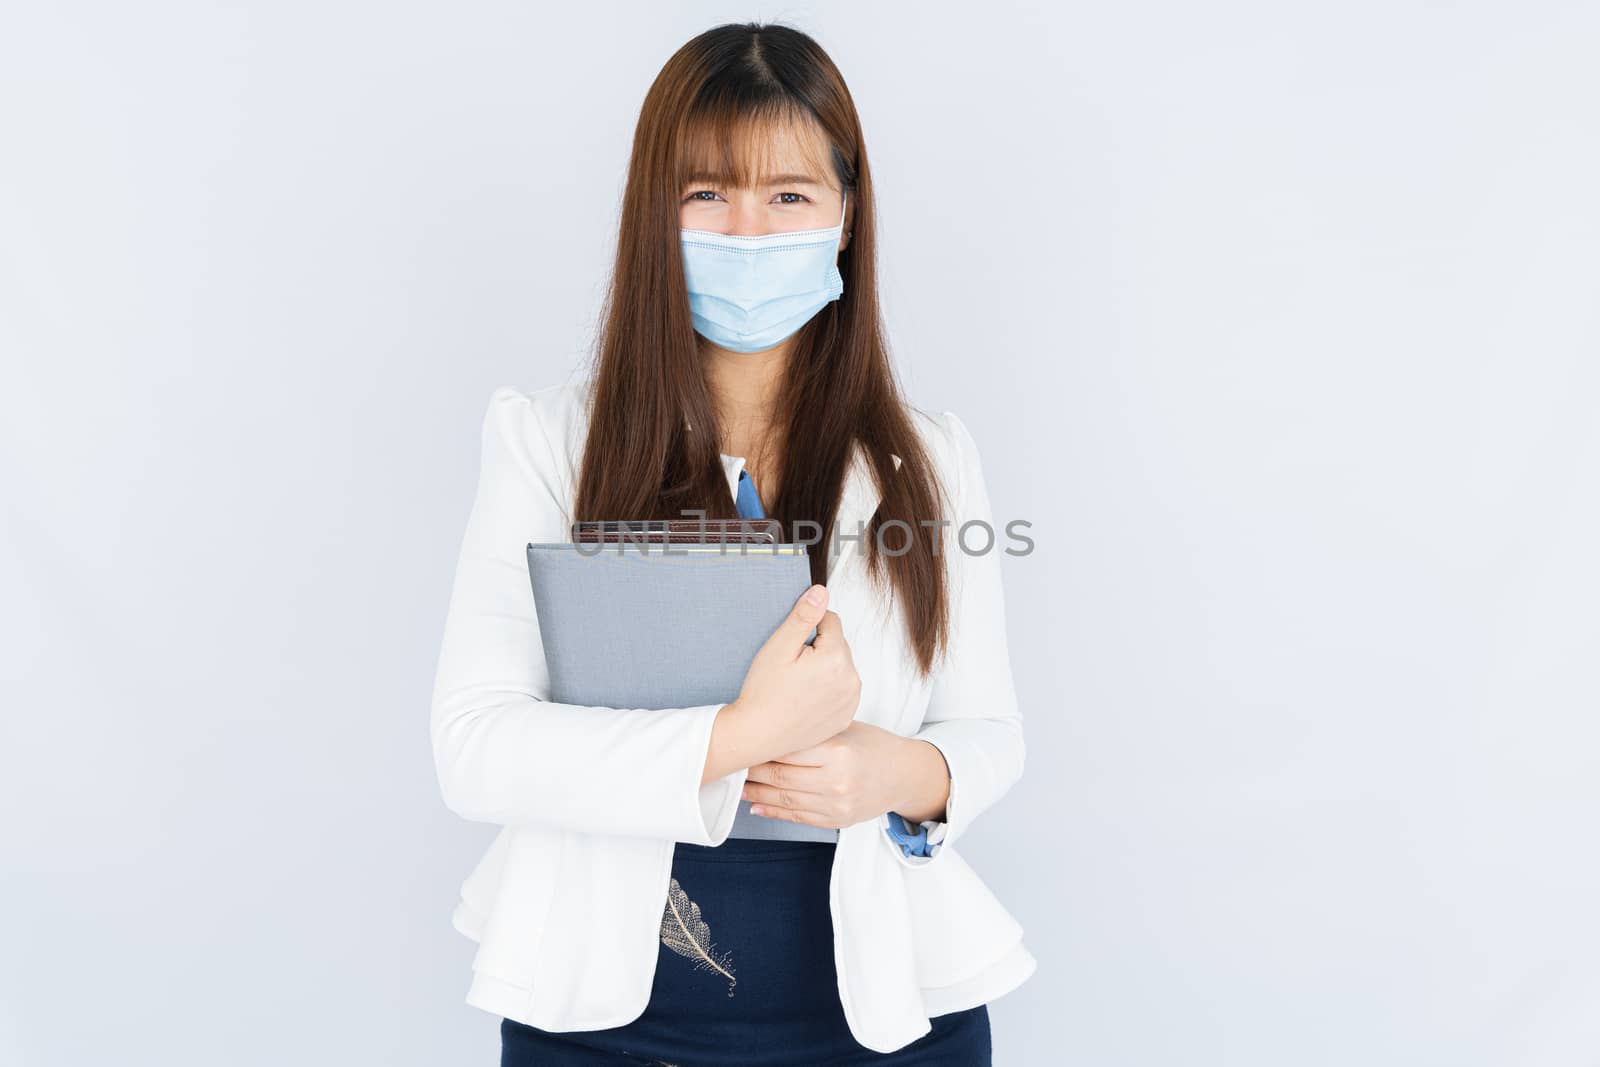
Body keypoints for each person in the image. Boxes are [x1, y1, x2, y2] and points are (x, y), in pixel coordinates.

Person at [429, 21, 1035, 1064]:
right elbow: (475, 748)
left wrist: (900, 770)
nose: (747, 231)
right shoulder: (544, 440)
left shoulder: (930, 459)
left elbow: (989, 730)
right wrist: (740, 734)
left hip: (890, 1016)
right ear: (652, 216)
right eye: (706, 192)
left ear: (846, 216)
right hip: (608, 1019)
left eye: (788, 195)